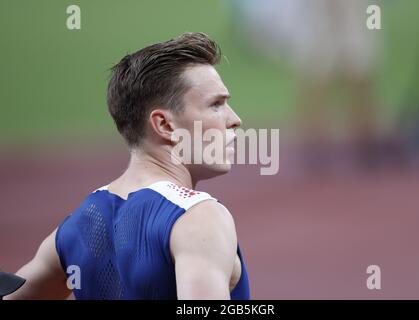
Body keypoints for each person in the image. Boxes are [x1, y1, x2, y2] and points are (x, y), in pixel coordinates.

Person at [5, 32, 249, 300]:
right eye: (216, 104)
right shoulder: (199, 218)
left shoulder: (78, 226)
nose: (234, 119)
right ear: (165, 125)